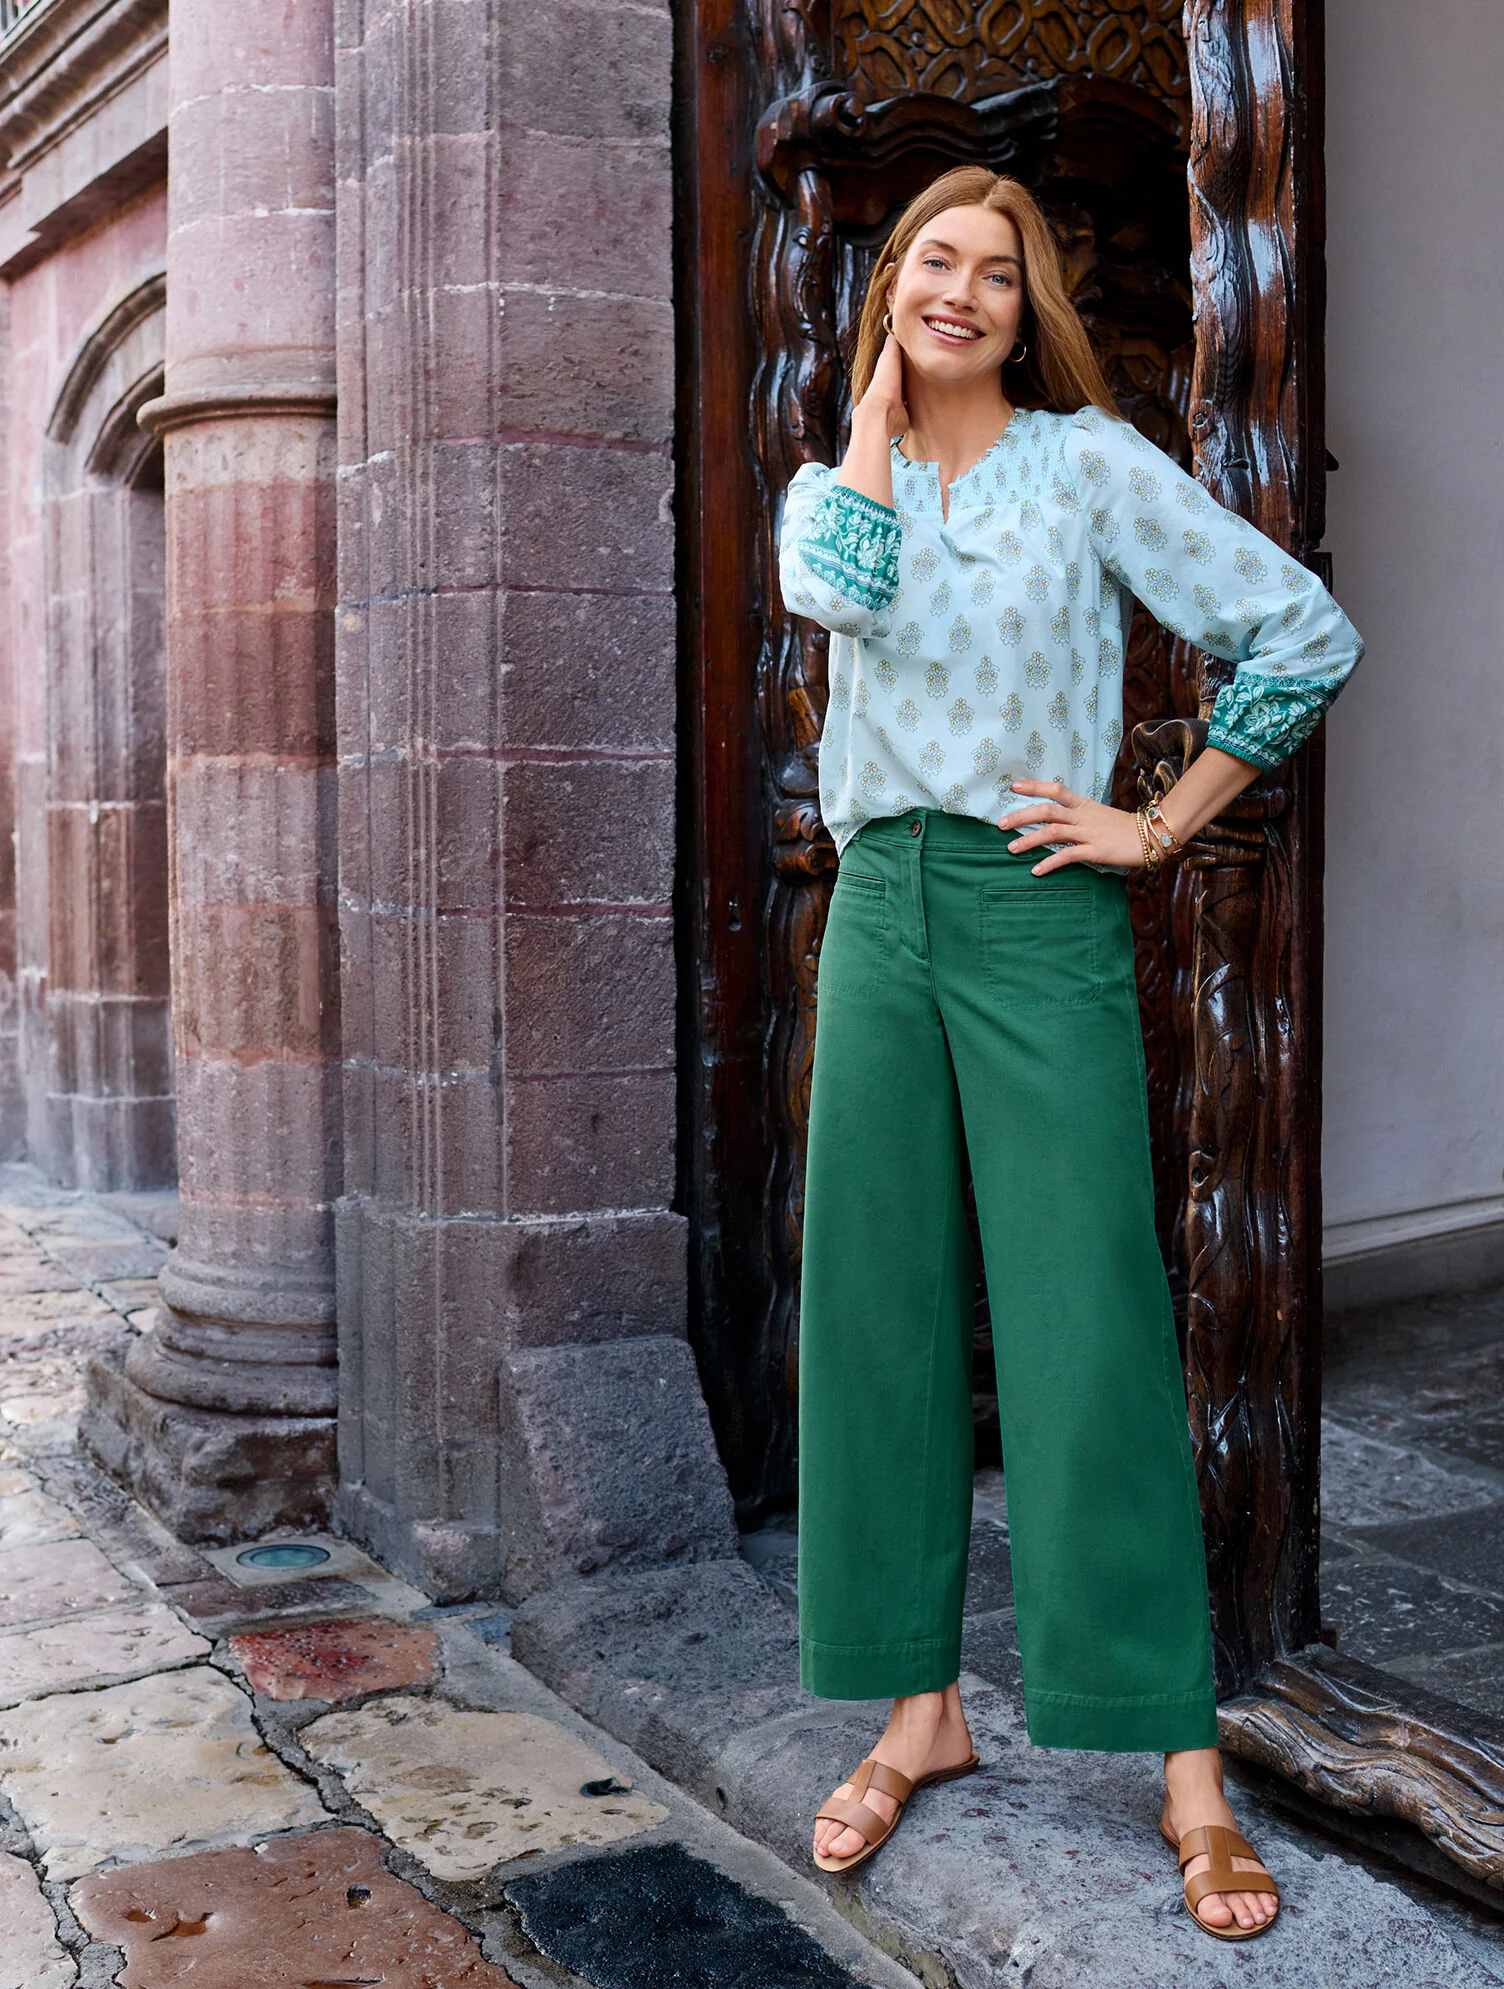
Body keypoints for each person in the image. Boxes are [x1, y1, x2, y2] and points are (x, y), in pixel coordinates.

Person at [777, 164, 1362, 1943]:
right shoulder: (834, 481)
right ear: (894, 288)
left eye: (1000, 276)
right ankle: (917, 1711)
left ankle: (1180, 1766)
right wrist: (876, 413)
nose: (964, 294)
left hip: (1040, 910)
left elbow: (1300, 633)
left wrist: (1163, 824)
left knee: (1087, 1323)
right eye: (934, 265)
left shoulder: (1089, 467)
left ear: (1036, 311)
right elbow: (839, 601)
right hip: (884, 903)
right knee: (870, 1312)